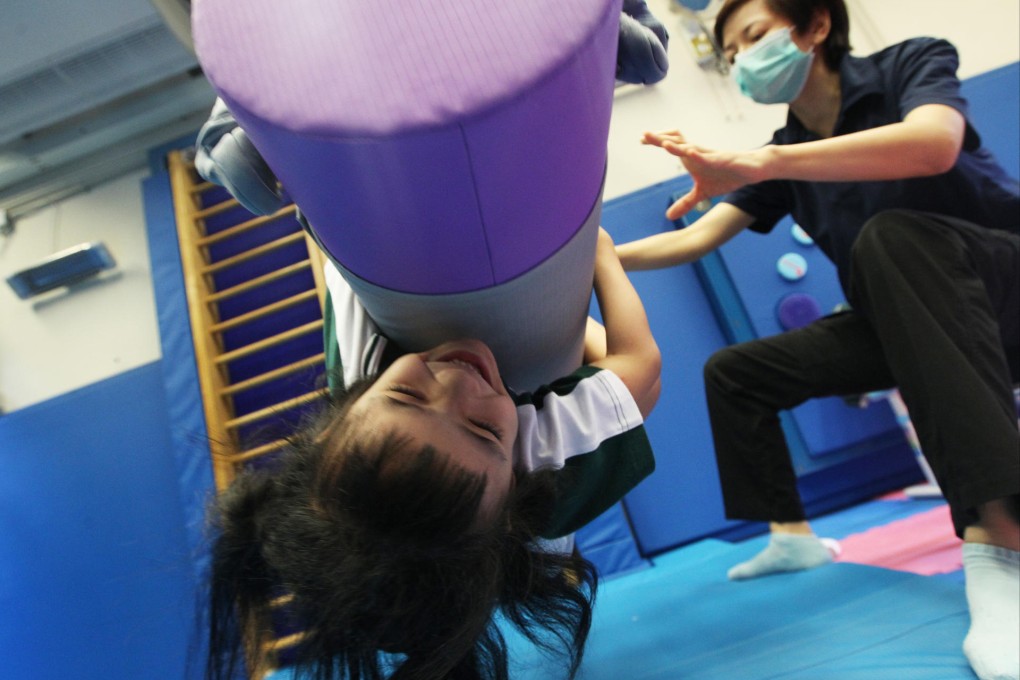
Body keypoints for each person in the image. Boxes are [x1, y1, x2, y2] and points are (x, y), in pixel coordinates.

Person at [615, 1, 1019, 678]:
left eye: (753, 37)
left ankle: (998, 540)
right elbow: (696, 237)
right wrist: (596, 258)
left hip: (1002, 289)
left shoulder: (908, 63)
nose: (744, 60)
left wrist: (770, 160)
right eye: (733, 54)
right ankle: (792, 535)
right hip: (907, 316)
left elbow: (934, 144)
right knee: (737, 370)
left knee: (890, 239)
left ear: (815, 27)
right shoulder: (785, 153)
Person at [205, 225, 661, 680]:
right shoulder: (539, 460)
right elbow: (641, 365)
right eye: (482, 428)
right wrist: (598, 255)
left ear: (330, 430)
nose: (459, 380)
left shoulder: (362, 372)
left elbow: (336, 237)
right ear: (507, 506)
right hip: (521, 539)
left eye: (407, 395)